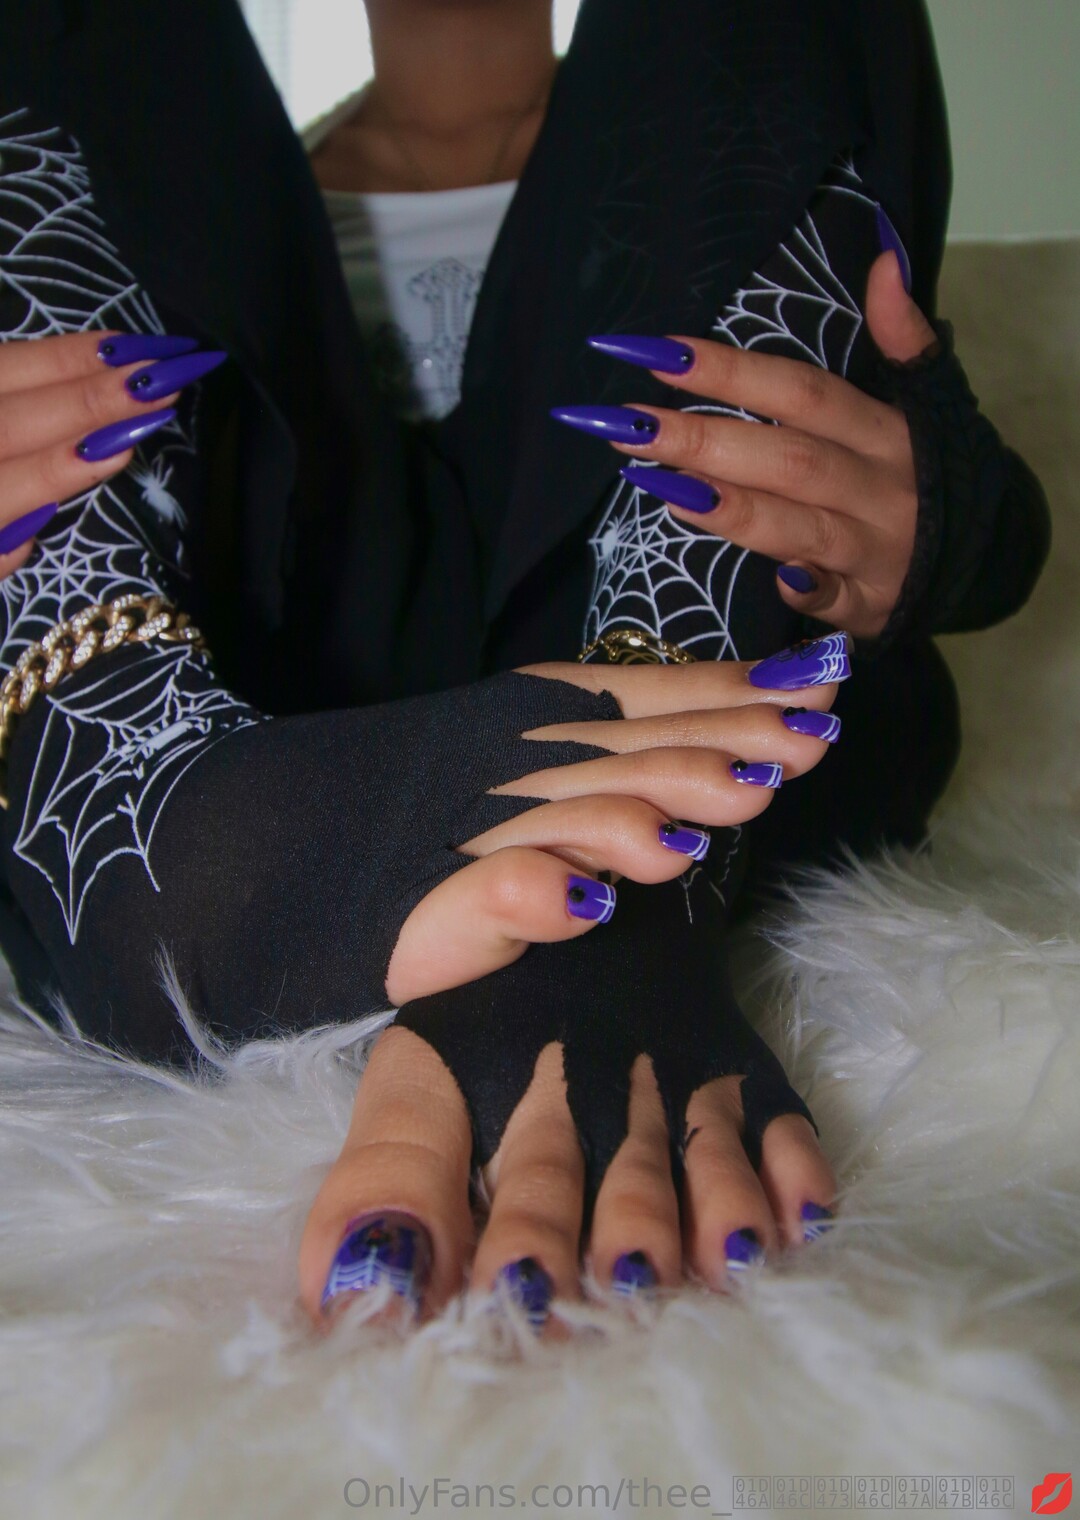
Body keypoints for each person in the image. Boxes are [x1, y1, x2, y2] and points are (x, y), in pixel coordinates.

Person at [0, 0, 1049, 1330]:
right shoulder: (173, 164)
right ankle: (133, 780)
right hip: (258, 694)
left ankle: (617, 884)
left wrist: (950, 517)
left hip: (686, 658)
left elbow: (955, 526)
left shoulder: (712, 105)